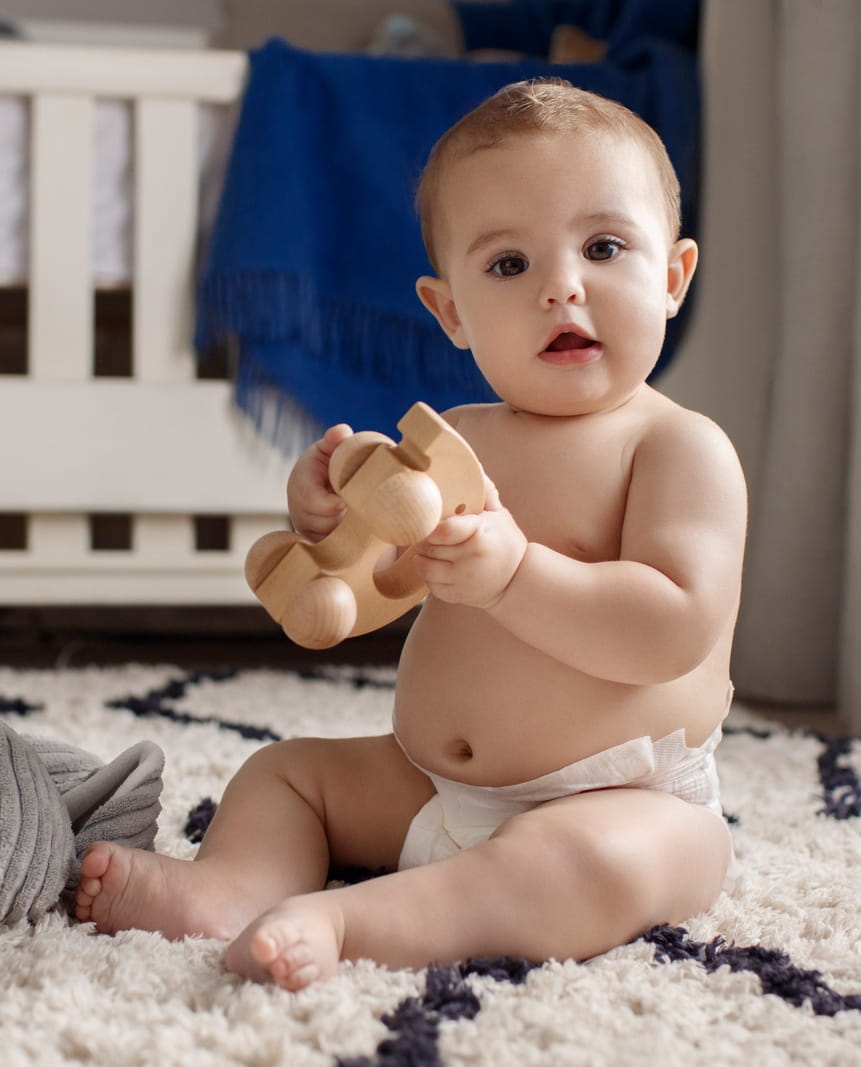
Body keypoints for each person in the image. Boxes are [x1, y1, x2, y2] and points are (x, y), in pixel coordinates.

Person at [75, 79, 747, 993]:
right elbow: (384, 581)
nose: (560, 286)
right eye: (508, 264)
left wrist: (515, 575)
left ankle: (350, 921)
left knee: (592, 864)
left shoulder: (676, 447)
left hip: (622, 796)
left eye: (602, 247)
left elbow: (669, 628)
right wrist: (329, 530)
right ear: (450, 312)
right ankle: (230, 888)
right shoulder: (456, 440)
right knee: (286, 772)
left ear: (670, 278)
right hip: (430, 784)